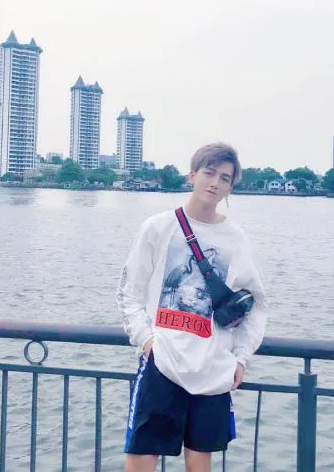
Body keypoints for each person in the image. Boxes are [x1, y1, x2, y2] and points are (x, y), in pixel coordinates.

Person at [117, 142, 267, 472]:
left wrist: (241, 357)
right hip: (162, 363)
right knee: (141, 458)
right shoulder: (158, 227)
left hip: (212, 368)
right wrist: (147, 342)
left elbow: (255, 305)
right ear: (192, 176)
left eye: (225, 178)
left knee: (199, 462)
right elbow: (130, 292)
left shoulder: (235, 239)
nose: (215, 183)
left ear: (230, 187)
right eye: (209, 173)